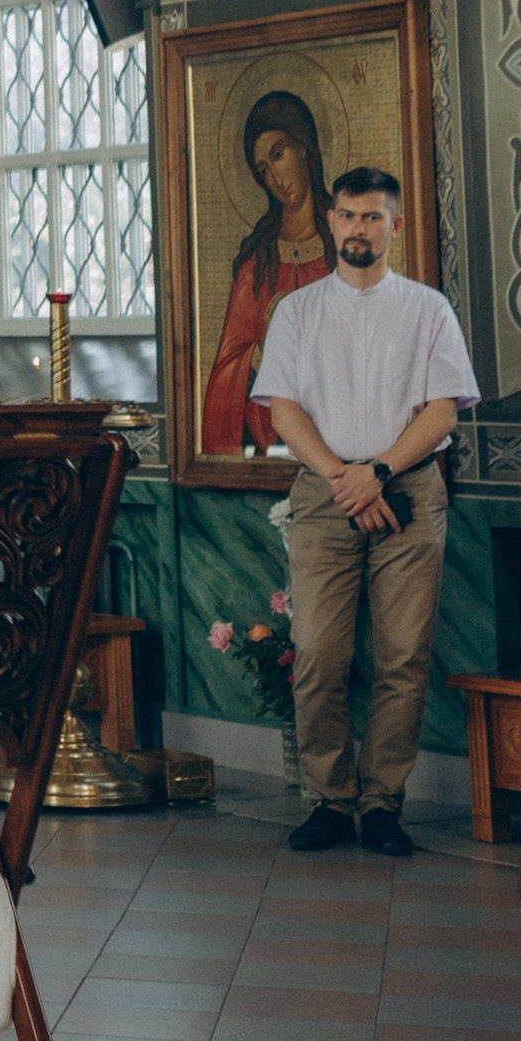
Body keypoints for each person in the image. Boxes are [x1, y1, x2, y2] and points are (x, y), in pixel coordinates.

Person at [255, 165, 478, 857]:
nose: (359, 228)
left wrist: (379, 472)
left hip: (408, 488)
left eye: (373, 216)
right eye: (348, 215)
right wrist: (341, 477)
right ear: (330, 220)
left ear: (395, 226)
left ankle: (382, 803)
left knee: (403, 656)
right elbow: (283, 406)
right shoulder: (297, 310)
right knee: (319, 651)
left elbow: (443, 406)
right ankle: (330, 797)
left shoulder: (427, 308)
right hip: (325, 494)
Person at [203, 92, 335, 455]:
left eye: (279, 154)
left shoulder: (346, 245)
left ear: (305, 148)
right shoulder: (256, 265)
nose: (275, 177)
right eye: (263, 169)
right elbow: (224, 380)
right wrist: (262, 350)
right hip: (270, 442)